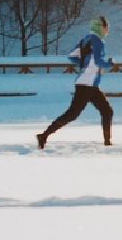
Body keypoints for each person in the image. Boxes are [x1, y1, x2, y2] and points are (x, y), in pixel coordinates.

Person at [37, 15, 116, 149]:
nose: (108, 30)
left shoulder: (86, 39)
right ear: (101, 28)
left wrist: (83, 64)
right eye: (106, 27)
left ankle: (107, 143)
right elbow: (98, 62)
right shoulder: (98, 41)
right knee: (72, 114)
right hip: (87, 84)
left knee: (107, 111)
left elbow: (71, 56)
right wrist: (110, 64)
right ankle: (44, 135)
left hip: (89, 84)